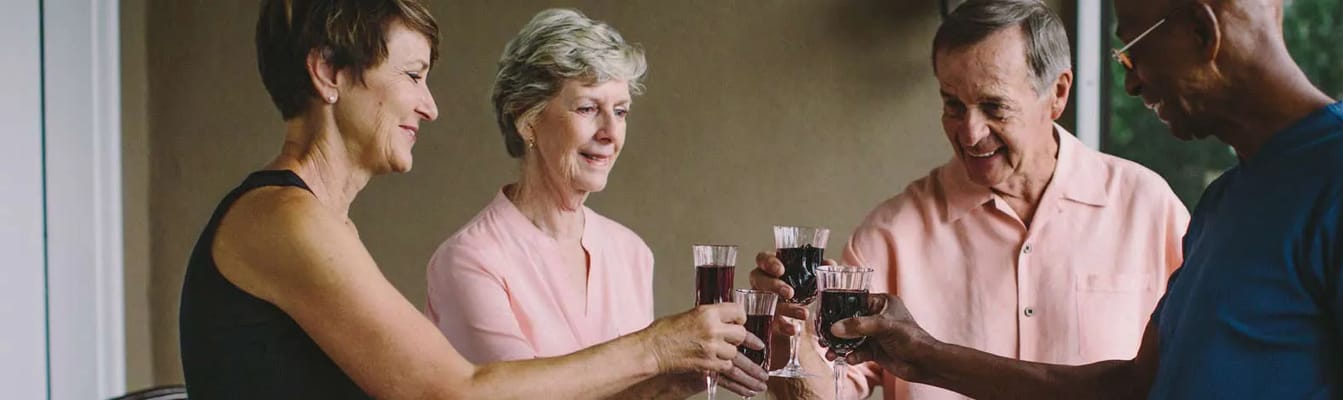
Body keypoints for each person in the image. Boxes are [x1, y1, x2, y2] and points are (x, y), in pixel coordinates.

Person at [826, 0, 1343, 398]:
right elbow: (1133, 389)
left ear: (1201, 28)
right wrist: (921, 354)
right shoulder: (1225, 202)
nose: (1129, 81)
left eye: (1132, 47)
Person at [178, 1, 759, 398]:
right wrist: (657, 349)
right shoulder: (283, 220)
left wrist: (668, 376)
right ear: (328, 72)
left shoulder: (316, 224)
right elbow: (455, 391)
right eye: (412, 75)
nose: (430, 106)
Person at [750, 1, 1189, 398]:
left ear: (1057, 94)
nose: (970, 133)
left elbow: (1195, 370)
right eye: (953, 105)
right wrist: (791, 332)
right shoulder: (889, 236)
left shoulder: (1148, 208)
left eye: (994, 107)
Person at [424, 8, 766, 399]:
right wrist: (658, 349)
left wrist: (675, 380)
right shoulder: (470, 260)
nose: (609, 132)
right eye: (588, 108)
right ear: (526, 119)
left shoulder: (631, 251)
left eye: (620, 112)